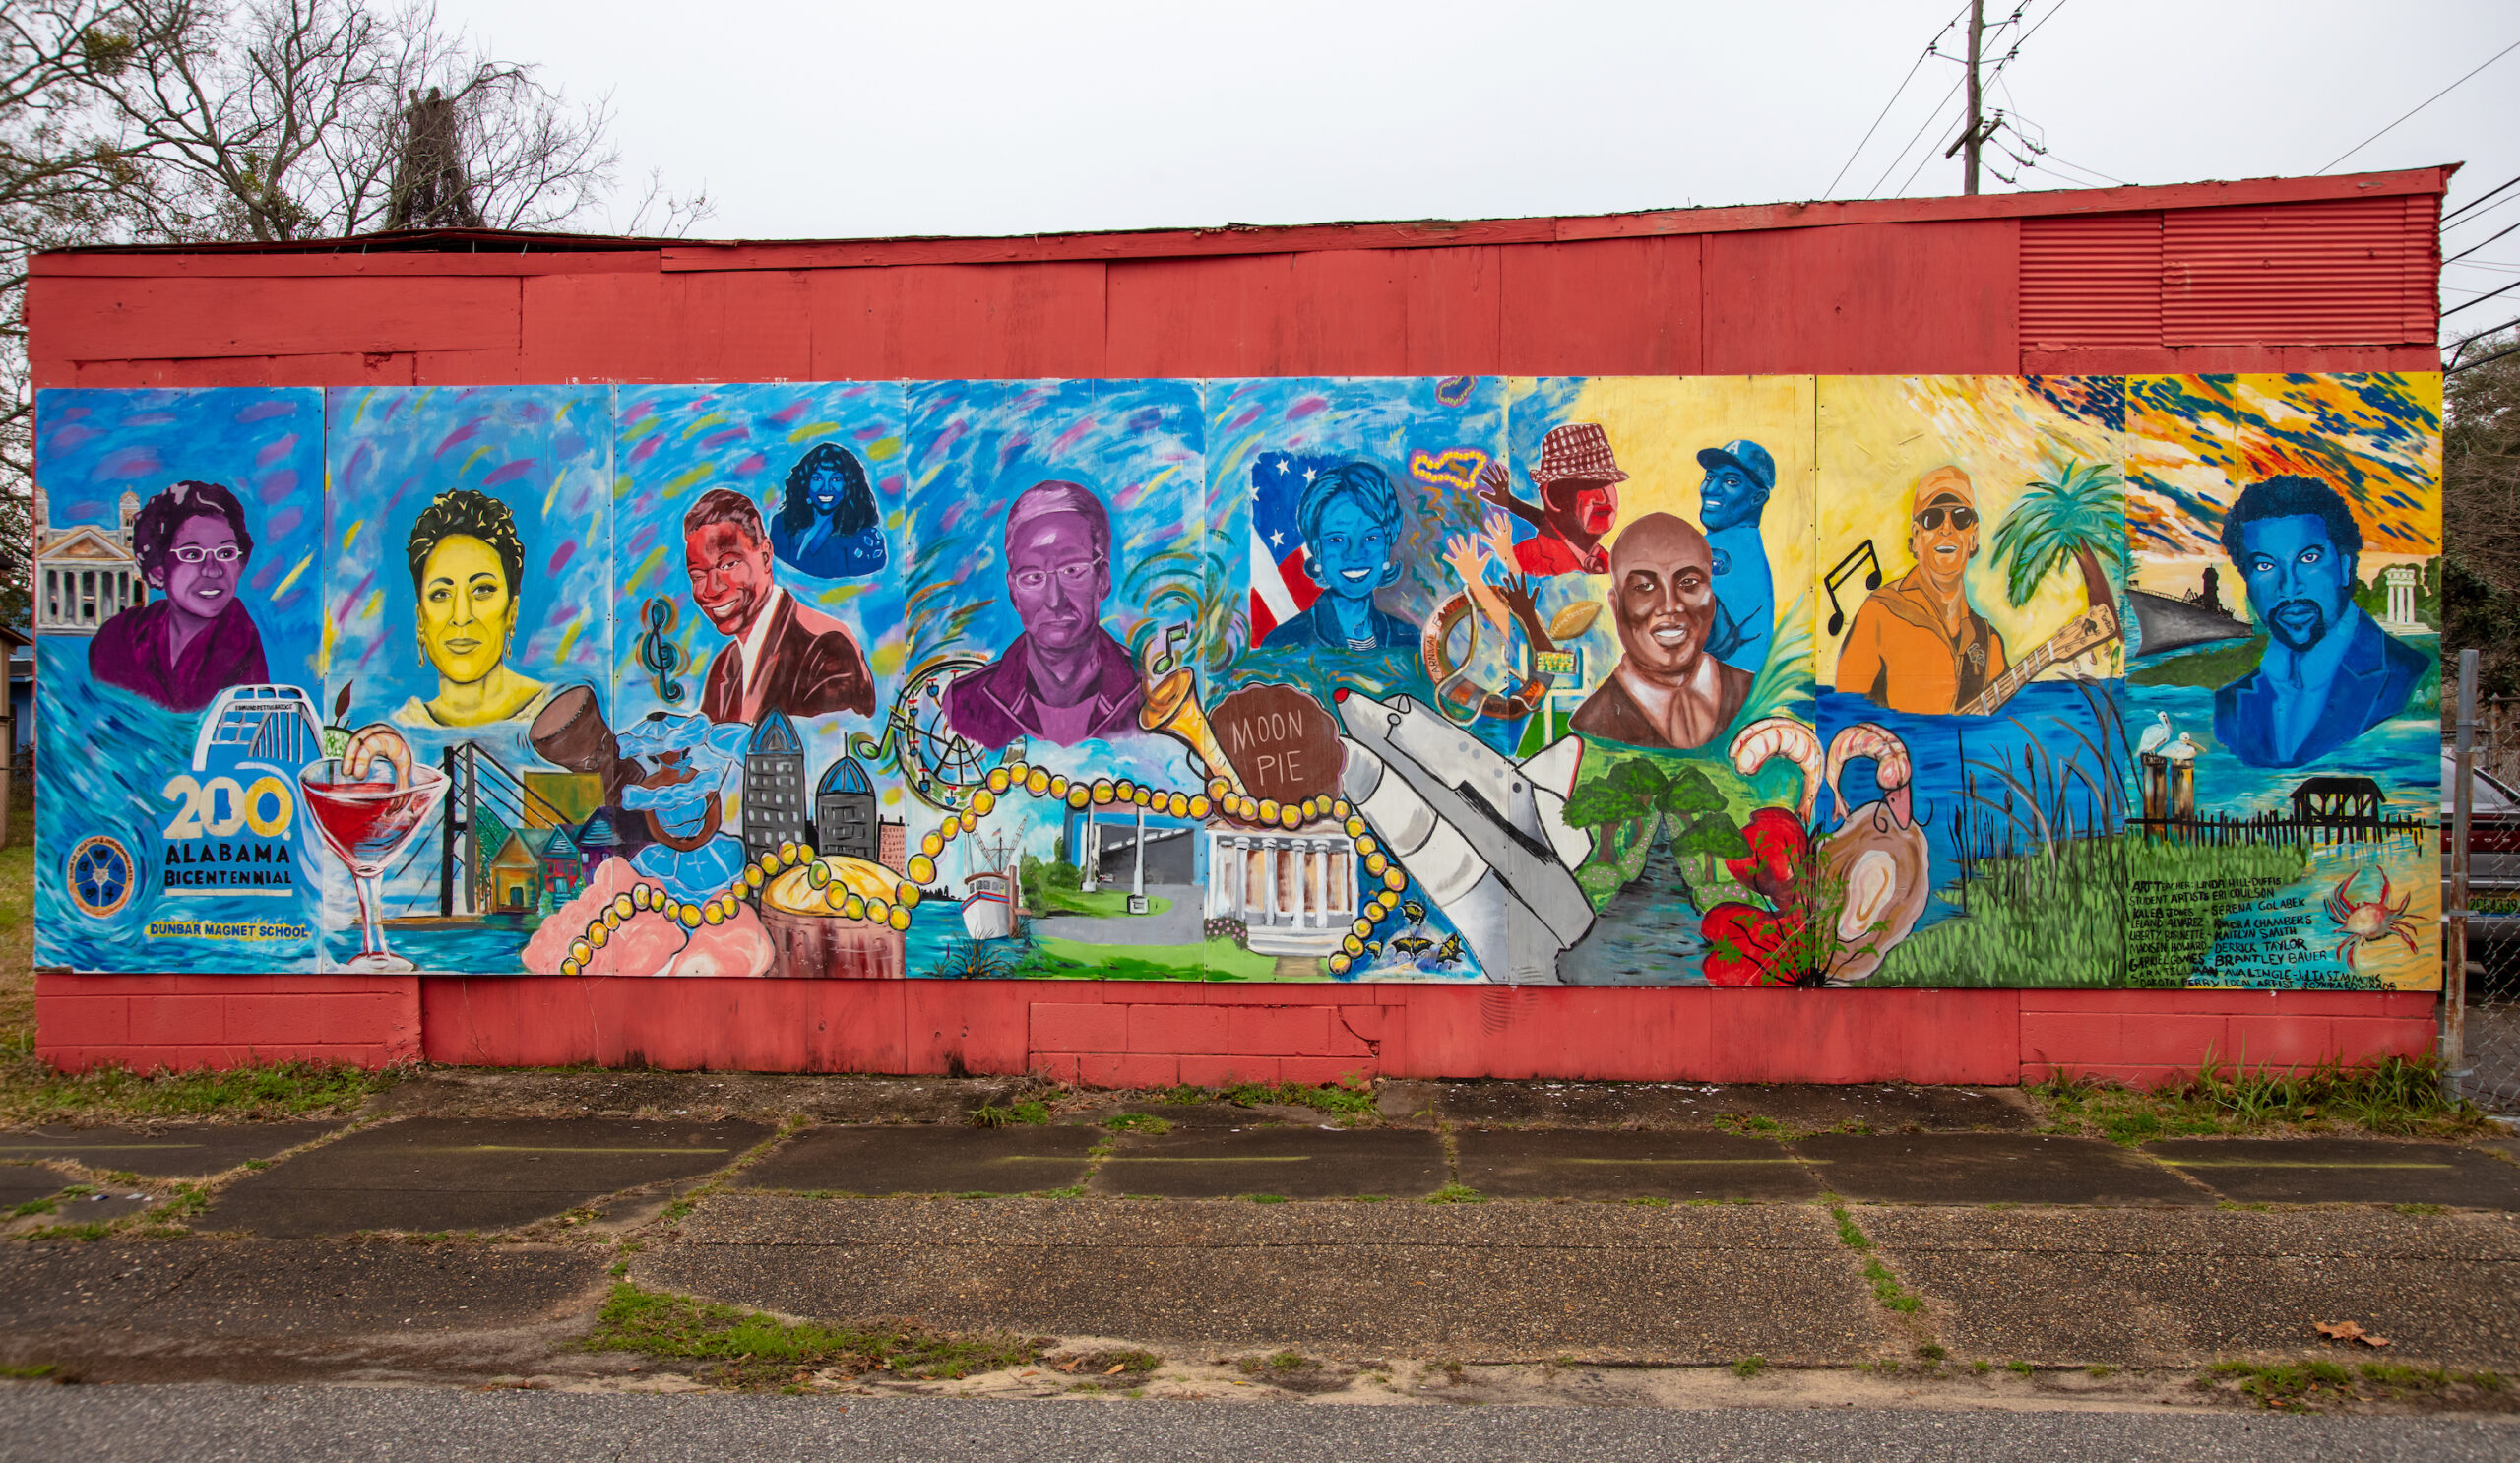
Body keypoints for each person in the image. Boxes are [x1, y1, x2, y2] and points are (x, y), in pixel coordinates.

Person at [2212, 475, 2426, 768]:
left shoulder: (2410, 676)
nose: (2288, 588)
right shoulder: (2229, 703)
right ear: (2247, 581)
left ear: (2346, 567)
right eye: (2264, 565)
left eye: (2309, 559)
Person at [945, 479, 1144, 749]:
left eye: (1072, 570)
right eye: (1033, 576)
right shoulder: (966, 706)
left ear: (1103, 579)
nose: (1055, 599)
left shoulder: (1153, 694)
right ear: (1013, 592)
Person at [683, 488, 875, 726]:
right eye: (698, 575)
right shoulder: (724, 668)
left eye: (729, 564)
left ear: (765, 556)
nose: (711, 590)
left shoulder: (827, 647)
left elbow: (837, 752)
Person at [1834, 465, 2007, 716]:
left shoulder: (1989, 642)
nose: (1946, 528)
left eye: (1960, 517)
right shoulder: (1880, 614)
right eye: (1932, 519)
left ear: (1974, 535)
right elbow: (1844, 722)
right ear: (1916, 536)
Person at [1570, 514, 1753, 750]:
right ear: (1617, 607)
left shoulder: (1754, 695)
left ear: (1712, 598)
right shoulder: (1592, 728)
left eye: (1689, 582)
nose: (1670, 605)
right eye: (1644, 587)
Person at [89, 480, 269, 713]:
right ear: (158, 569)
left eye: (226, 553)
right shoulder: (117, 639)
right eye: (192, 554)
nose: (213, 569)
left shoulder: (242, 644)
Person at [396, 488, 554, 729]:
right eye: (441, 594)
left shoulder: (560, 715)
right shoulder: (403, 729)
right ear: (420, 620)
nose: (461, 616)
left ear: (512, 612)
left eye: (482, 590)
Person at [1260, 461, 1419, 652]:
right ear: (1318, 551)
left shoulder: (1408, 639)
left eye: (1371, 537)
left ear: (1387, 545)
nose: (1355, 554)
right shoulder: (1284, 643)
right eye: (1336, 539)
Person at [1476, 422, 1625, 576]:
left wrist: (1513, 504)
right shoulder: (1521, 561)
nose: (1604, 498)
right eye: (1590, 485)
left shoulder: (1611, 562)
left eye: (1608, 483)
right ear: (1552, 497)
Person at [1697, 438, 1776, 675]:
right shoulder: (1723, 544)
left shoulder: (1735, 553)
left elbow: (1709, 635)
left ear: (1757, 498)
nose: (1710, 489)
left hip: (1723, 688)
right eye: (1710, 477)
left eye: (1731, 481)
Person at [770, 443, 887, 580]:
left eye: (836, 479)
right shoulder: (782, 524)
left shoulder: (866, 541)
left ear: (848, 485)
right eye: (817, 478)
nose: (826, 488)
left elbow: (866, 591)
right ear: (805, 482)